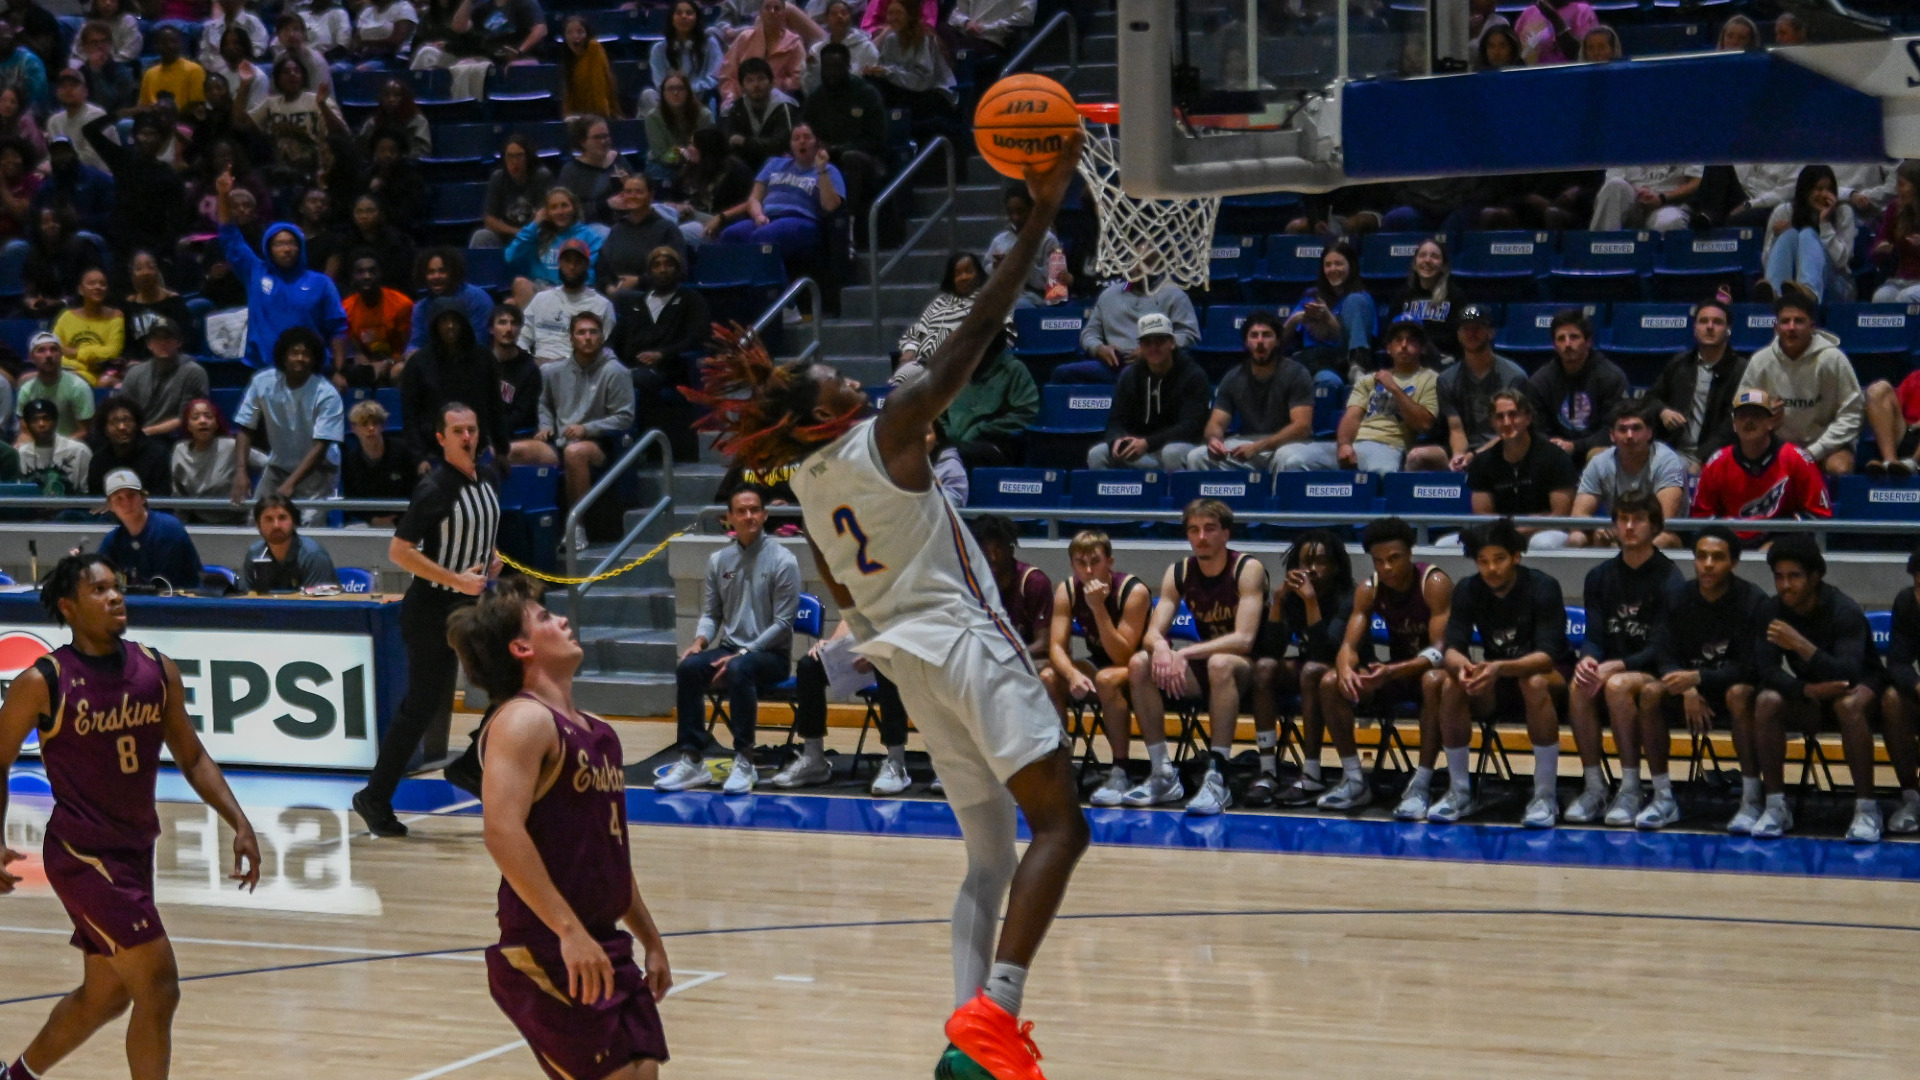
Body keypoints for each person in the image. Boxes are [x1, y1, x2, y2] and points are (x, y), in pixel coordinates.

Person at [688, 141, 1087, 1080]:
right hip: (962, 644)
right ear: (826, 413)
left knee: (989, 859)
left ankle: (964, 1043)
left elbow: (836, 586)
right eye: (836, 384)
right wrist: (1038, 217)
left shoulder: (806, 484)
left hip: (910, 663)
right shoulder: (889, 431)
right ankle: (998, 1019)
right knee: (1064, 826)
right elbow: (980, 325)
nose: (853, 382)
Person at [0, 553, 260, 1080]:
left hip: (136, 850)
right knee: (160, 986)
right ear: (69, 608)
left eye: (115, 587)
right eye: (99, 591)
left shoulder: (156, 668)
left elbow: (192, 756)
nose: (115, 596)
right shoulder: (44, 681)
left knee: (107, 995)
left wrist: (240, 821)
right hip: (82, 856)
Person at [446, 578, 672, 1080]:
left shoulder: (599, 733)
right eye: (545, 618)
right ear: (521, 648)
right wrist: (567, 931)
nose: (564, 620)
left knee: (641, 1072)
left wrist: (651, 939)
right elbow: (501, 831)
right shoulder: (522, 721)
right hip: (548, 942)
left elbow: (608, 853)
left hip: (605, 939)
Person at [354, 402, 501, 836]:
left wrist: (490, 560)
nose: (467, 437)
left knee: (511, 680)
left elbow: (484, 532)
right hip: (431, 608)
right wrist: (455, 579)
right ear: (441, 438)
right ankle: (375, 796)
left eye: (472, 429)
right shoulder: (435, 488)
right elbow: (399, 552)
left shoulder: (489, 478)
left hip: (470, 605)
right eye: (457, 431)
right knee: (420, 707)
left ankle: (470, 764)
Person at [1123, 499, 1267, 814]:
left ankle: (1217, 776)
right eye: (1194, 530)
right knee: (1139, 663)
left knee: (1220, 662)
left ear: (1226, 534)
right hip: (1206, 666)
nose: (1201, 536)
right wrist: (1161, 648)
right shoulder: (1178, 571)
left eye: (1210, 529)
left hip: (1251, 670)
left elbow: (1243, 639)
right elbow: (1151, 633)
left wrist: (1182, 652)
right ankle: (1162, 773)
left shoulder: (1247, 568)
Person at [656, 484, 801, 795]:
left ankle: (744, 759)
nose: (748, 516)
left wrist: (745, 652)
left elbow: (783, 623)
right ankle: (692, 758)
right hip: (730, 650)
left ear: (764, 515)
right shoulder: (718, 561)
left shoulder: (784, 560)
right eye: (741, 511)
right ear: (729, 518)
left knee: (740, 669)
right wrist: (699, 642)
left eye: (754, 510)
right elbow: (712, 614)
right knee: (689, 667)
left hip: (771, 657)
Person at [1562, 493, 1687, 829]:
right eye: (1623, 519)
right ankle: (1595, 787)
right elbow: (1594, 634)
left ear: (1654, 525)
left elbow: (1663, 647)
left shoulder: (1670, 578)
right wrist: (1588, 658)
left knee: (1616, 685)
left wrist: (1617, 665)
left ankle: (1631, 788)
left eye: (1638, 519)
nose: (1629, 527)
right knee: (1579, 683)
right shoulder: (1599, 575)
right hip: (1614, 666)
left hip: (1657, 671)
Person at [1439, 517, 1572, 828]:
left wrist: (1499, 668)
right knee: (1450, 684)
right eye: (1483, 561)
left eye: (1499, 559)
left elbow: (1547, 656)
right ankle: (1459, 790)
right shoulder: (1468, 589)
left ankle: (1544, 795)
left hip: (1551, 679)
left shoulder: (1543, 586)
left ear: (1516, 556)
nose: (1491, 569)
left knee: (1534, 681)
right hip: (1497, 678)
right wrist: (1465, 669)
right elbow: (1452, 648)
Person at [1324, 518, 1460, 821]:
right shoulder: (1369, 588)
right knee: (1329, 681)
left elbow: (1441, 649)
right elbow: (1348, 646)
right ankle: (1355, 780)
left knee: (1433, 680)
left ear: (1410, 553)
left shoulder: (1434, 583)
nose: (1386, 567)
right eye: (1379, 561)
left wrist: (1392, 672)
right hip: (1396, 674)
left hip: (1429, 672)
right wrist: (1346, 670)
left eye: (1394, 559)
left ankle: (1421, 783)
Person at [1753, 535, 1887, 843]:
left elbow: (1849, 674)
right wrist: (1805, 691)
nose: (1785, 585)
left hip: (1865, 687)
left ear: (1815, 576)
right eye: (1779, 578)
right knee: (1766, 701)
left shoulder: (1844, 610)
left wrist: (1800, 645)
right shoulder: (1771, 611)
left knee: (1848, 704)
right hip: (1813, 691)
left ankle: (1867, 808)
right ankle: (1776, 805)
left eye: (1794, 576)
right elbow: (1766, 671)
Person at [1659, 524, 1766, 834]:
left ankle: (1751, 797)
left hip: (1733, 692)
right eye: (1701, 556)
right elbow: (1662, 654)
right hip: (1692, 694)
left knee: (1739, 693)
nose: (1707, 564)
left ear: (1733, 562)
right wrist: (1689, 688)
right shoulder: (1677, 597)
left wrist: (1698, 677)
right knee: (1652, 692)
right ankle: (1661, 795)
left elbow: (1751, 666)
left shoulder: (1752, 600)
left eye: (1717, 557)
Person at [1040, 529, 1150, 803]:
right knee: (1049, 676)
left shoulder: (1133, 591)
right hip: (1098, 664)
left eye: (1095, 561)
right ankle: (1060, 764)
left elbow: (1122, 656)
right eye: (1081, 563)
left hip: (1140, 669)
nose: (1088, 570)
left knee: (1106, 679)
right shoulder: (1066, 589)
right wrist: (1072, 674)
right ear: (1072, 565)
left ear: (1109, 562)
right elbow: (1055, 647)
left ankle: (1120, 770)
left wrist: (1098, 608)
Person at [1256, 530, 1357, 809]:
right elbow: (1271, 651)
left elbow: (1328, 651)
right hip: (1309, 667)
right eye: (1306, 561)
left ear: (1335, 566)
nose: (1312, 568)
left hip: (1346, 673)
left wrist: (1311, 603)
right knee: (1264, 668)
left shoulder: (1349, 596)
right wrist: (1277, 602)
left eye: (1321, 561)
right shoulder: (1291, 596)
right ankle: (1267, 770)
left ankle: (1311, 772)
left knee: (1313, 671)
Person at [216, 169, 348, 373]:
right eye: (279, 244)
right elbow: (229, 236)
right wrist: (223, 196)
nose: (286, 249)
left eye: (291, 243)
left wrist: (339, 371)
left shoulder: (321, 283)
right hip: (264, 370)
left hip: (311, 371)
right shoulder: (256, 272)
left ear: (300, 247)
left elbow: (337, 328)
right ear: (269, 249)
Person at [1276, 317, 1439, 476]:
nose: (1403, 345)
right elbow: (1352, 416)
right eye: (1398, 340)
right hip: (1356, 444)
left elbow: (1423, 424)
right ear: (1389, 348)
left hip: (1390, 447)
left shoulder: (1430, 379)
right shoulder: (1369, 380)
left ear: (1423, 348)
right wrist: (1345, 445)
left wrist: (1393, 387)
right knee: (1290, 457)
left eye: (1411, 340)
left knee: (1383, 474)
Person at [525, 312, 635, 539]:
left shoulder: (615, 371)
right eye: (581, 332)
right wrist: (545, 425)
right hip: (560, 440)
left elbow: (625, 417)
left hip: (600, 444)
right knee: (515, 451)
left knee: (575, 453)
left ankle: (577, 528)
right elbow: (543, 403)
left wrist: (588, 429)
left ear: (602, 337)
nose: (587, 337)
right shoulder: (551, 371)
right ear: (571, 338)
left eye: (593, 332)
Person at [1737, 291, 1863, 476]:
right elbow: (1740, 410)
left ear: (1812, 326)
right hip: (1776, 445)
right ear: (1776, 327)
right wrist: (1765, 417)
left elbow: (1852, 414)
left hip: (1826, 446)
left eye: (1799, 321)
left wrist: (1813, 452)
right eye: (1785, 321)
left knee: (1840, 468)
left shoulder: (1833, 359)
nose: (1791, 327)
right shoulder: (1760, 361)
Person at [1691, 388, 1833, 548]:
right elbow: (1701, 518)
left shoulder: (1796, 459)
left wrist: (1778, 536)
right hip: (1730, 543)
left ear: (1771, 422)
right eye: (1742, 416)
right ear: (1734, 424)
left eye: (1756, 415)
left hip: (1782, 541)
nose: (1749, 421)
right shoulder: (1717, 462)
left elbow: (1819, 515)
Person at [230, 325, 346, 509]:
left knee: (309, 527)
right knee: (256, 521)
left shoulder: (327, 394)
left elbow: (321, 447)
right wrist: (241, 471)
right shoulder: (262, 382)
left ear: (315, 359)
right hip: (277, 465)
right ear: (283, 356)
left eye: (306, 354)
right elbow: (245, 427)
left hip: (318, 469)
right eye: (294, 352)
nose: (300, 358)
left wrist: (290, 484)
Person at [1185, 311, 1314, 472]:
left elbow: (1302, 428)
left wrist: (1258, 447)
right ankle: (1213, 498)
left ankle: (1278, 497)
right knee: (1197, 456)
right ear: (1246, 342)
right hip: (1249, 442)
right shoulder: (1233, 377)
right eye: (1254, 335)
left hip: (1287, 443)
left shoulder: (1296, 373)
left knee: (1288, 459)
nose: (1260, 341)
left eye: (1267, 335)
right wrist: (1214, 441)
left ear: (1278, 341)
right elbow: (1216, 423)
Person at [1086, 312, 1209, 470]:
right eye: (1147, 343)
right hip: (1141, 448)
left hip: (1179, 446)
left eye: (1159, 341)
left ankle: (1176, 494)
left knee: (1171, 453)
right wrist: (1117, 439)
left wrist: (1148, 443)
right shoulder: (1129, 375)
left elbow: (1191, 427)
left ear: (1172, 343)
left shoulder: (1193, 375)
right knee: (1097, 453)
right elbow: (1115, 420)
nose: (1153, 348)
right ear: (1140, 346)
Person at [718, 121, 844, 267]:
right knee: (731, 235)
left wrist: (821, 170)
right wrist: (758, 216)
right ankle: (735, 287)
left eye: (807, 137)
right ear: (790, 145)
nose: (801, 141)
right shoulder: (774, 164)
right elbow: (753, 199)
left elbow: (831, 206)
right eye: (796, 138)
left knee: (763, 236)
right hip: (766, 217)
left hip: (800, 220)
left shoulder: (829, 171)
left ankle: (770, 287)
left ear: (817, 143)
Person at [1643, 297, 1748, 469]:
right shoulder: (1679, 363)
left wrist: (1701, 457)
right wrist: (1663, 411)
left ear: (1728, 330)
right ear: (1695, 329)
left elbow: (1734, 422)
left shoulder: (1742, 370)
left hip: (1718, 457)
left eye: (1717, 322)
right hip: (1671, 452)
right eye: (1703, 321)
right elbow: (1650, 398)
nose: (1709, 326)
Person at [1467, 390, 1578, 549]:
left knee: (1542, 543)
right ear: (1492, 422)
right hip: (1499, 533)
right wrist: (1509, 532)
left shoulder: (1555, 456)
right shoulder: (1483, 461)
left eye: (1513, 415)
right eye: (1499, 416)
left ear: (1528, 418)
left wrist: (1523, 530)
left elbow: (1560, 513)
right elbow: (1482, 515)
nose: (1506, 422)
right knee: (1445, 544)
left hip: (1546, 531)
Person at [1568, 402, 1689, 548]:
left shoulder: (1668, 461)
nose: (1629, 436)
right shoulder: (1599, 462)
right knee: (1577, 538)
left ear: (1649, 433)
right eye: (1622, 430)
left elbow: (1662, 521)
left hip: (1660, 533)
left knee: (1661, 540)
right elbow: (1578, 517)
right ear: (1612, 435)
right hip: (1619, 528)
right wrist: (1599, 529)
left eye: (1636, 428)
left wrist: (1624, 531)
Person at [1057, 264, 1199, 384]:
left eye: (1146, 263)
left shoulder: (1174, 295)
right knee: (1062, 373)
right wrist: (1099, 348)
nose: (1138, 267)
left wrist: (1151, 350)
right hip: (1112, 364)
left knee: (1129, 376)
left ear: (1158, 266)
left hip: (1152, 365)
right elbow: (1089, 333)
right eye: (1134, 261)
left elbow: (1189, 334)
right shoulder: (1108, 295)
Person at [1434, 303, 1528, 471]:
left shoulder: (1514, 376)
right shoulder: (1446, 380)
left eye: (1477, 328)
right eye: (1466, 329)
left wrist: (1476, 456)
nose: (1471, 333)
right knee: (1420, 457)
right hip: (1469, 452)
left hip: (1507, 446)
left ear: (1491, 332)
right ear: (1458, 335)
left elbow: (1513, 429)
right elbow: (1456, 429)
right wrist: (1459, 456)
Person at [611, 246, 711, 403]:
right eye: (656, 265)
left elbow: (697, 336)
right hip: (629, 365)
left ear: (678, 270)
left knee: (630, 379)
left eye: (668, 265)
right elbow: (616, 337)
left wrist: (663, 354)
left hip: (667, 369)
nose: (662, 269)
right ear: (649, 272)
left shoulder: (691, 300)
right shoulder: (635, 303)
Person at [1526, 308, 1628, 462]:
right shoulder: (1541, 381)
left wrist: (1576, 446)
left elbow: (1614, 428)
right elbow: (1536, 428)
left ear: (1588, 342)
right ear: (1554, 345)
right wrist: (1552, 445)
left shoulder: (1611, 377)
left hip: (1599, 454)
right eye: (1561, 339)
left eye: (1574, 337)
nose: (1567, 344)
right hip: (1553, 455)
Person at [1758, 165, 1857, 304]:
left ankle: (1809, 292)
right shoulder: (1783, 212)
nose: (1824, 194)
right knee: (1789, 235)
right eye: (1819, 189)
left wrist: (1825, 224)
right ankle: (1775, 296)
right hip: (1789, 283)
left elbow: (1841, 262)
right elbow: (1767, 264)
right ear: (1805, 191)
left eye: (1829, 189)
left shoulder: (1843, 212)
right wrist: (1776, 238)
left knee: (1807, 234)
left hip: (1837, 285)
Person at [1281, 241, 1375, 379]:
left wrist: (1328, 319)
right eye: (1328, 265)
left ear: (1351, 266)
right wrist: (1297, 318)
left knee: (1328, 379)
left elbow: (1349, 341)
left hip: (1341, 362)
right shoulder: (1311, 297)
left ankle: (1357, 368)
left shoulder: (1361, 299)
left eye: (1339, 264)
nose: (1333, 269)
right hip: (1311, 360)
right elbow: (1279, 342)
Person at [1877, 544, 1920, 837]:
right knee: (1893, 699)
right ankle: (1911, 798)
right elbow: (1898, 662)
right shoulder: (1907, 603)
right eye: (1919, 586)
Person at [518, 236, 617, 363]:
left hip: (579, 370)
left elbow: (604, 351)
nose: (572, 266)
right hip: (538, 367)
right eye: (567, 261)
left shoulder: (602, 305)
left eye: (578, 262)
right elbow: (523, 338)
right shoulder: (541, 299)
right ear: (559, 264)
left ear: (587, 266)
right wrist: (528, 363)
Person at [97, 467, 202, 587]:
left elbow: (167, 584)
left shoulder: (168, 528)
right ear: (110, 506)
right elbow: (99, 575)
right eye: (119, 498)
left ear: (143, 498)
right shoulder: (113, 540)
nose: (126, 503)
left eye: (131, 495)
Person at [506, 186, 602, 310]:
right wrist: (534, 224)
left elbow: (590, 276)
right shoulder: (537, 234)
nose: (560, 211)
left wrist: (558, 290)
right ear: (546, 212)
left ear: (574, 208)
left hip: (572, 291)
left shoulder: (590, 237)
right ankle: (532, 328)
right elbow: (510, 256)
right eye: (554, 207)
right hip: (540, 291)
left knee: (512, 304)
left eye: (564, 205)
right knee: (519, 285)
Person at [971, 515, 1050, 662]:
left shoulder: (1033, 582)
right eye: (985, 552)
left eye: (998, 550)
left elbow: (1044, 644)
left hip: (1029, 661)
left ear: (1011, 549)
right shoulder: (971, 584)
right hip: (987, 663)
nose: (993, 558)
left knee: (1048, 675)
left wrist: (1007, 658)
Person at [171, 396, 261, 518]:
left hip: (236, 519)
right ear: (188, 426)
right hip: (197, 521)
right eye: (195, 417)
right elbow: (178, 493)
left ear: (216, 423)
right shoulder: (180, 450)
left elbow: (267, 464)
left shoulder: (231, 446)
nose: (202, 421)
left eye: (208, 416)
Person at [895, 253, 986, 371]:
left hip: (963, 369)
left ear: (978, 274)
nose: (964, 277)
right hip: (922, 366)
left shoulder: (988, 300)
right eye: (957, 274)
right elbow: (917, 331)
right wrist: (909, 350)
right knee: (902, 377)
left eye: (969, 271)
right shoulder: (940, 302)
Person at [595, 175, 687, 290]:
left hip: (654, 294)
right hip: (616, 296)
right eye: (628, 192)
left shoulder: (667, 229)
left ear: (651, 196)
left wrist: (639, 281)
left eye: (638, 192)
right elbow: (602, 268)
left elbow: (679, 271)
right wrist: (608, 287)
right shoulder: (617, 230)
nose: (632, 196)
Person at [984, 184, 1067, 307]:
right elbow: (984, 272)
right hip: (1002, 296)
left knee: (1020, 305)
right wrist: (996, 267)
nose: (1015, 217)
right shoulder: (999, 241)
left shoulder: (1049, 240)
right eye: (1010, 212)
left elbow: (1056, 286)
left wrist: (1023, 263)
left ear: (1032, 210)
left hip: (1036, 300)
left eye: (1020, 211)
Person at [1386, 237, 1469, 360]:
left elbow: (1459, 336)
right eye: (1422, 255)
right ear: (1414, 264)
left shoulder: (1455, 296)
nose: (1427, 260)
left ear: (1444, 266)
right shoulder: (1403, 296)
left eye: (1434, 256)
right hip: (1408, 359)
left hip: (1442, 361)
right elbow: (1390, 332)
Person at [341, 398, 420, 524]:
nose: (370, 428)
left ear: (383, 426)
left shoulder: (402, 452)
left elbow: (416, 491)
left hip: (405, 521)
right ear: (354, 428)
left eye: (375, 423)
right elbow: (351, 502)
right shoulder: (350, 460)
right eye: (364, 424)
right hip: (369, 523)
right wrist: (373, 520)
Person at [341, 250, 413, 388]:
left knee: (400, 371)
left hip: (397, 361)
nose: (367, 276)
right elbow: (356, 350)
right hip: (368, 364)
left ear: (380, 274)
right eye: (360, 272)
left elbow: (408, 347)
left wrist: (388, 363)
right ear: (353, 276)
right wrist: (366, 363)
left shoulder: (402, 304)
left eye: (372, 271)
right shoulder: (346, 308)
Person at [241, 492, 339, 591]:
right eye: (269, 519)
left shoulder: (313, 556)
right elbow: (244, 598)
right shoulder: (254, 554)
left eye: (282, 518)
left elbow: (319, 603)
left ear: (293, 522)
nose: (276, 526)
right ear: (258, 525)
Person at [406, 247, 495, 357]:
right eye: (430, 272)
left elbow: (479, 343)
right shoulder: (420, 308)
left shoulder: (477, 299)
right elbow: (416, 342)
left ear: (454, 272)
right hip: (433, 362)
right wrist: (411, 354)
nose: (436, 276)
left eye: (442, 271)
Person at [718, 0, 806, 110]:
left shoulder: (794, 43)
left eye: (777, 8)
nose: (772, 11)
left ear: (784, 14)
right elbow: (727, 75)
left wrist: (775, 85)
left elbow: (799, 78)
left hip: (778, 103)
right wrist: (731, 98)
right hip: (742, 100)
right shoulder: (745, 38)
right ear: (760, 13)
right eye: (767, 8)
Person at [473, 133, 554, 249]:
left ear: (528, 157)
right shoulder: (498, 178)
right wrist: (515, 231)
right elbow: (489, 220)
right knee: (480, 236)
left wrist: (527, 233)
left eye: (519, 156)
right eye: (509, 156)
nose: (514, 161)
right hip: (507, 236)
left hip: (534, 235)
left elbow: (545, 215)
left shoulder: (542, 177)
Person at [555, 114, 638, 225]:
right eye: (597, 138)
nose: (604, 141)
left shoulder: (618, 160)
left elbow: (638, 194)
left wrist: (630, 186)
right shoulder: (571, 170)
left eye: (606, 136)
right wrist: (606, 205)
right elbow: (567, 210)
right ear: (583, 142)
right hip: (592, 224)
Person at [719, 57, 797, 173]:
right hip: (745, 168)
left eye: (761, 79)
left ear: (771, 82)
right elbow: (730, 142)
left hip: (779, 167)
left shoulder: (784, 106)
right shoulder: (736, 108)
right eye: (750, 80)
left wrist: (746, 142)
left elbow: (780, 145)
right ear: (742, 87)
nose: (756, 85)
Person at [51, 266, 123, 386]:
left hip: (99, 376)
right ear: (80, 289)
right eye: (91, 283)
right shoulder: (66, 316)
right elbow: (55, 348)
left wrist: (77, 353)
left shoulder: (115, 316)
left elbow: (113, 351)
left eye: (102, 284)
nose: (98, 287)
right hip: (67, 370)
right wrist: (86, 362)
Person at [641, 71, 710, 196]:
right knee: (659, 173)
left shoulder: (704, 115)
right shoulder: (653, 117)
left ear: (688, 92)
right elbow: (661, 155)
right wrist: (680, 153)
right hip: (663, 164)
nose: (675, 93)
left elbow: (708, 149)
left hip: (697, 162)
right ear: (663, 93)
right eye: (670, 89)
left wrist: (689, 155)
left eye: (680, 88)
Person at [85, 396, 170, 496]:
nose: (122, 427)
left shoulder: (157, 455)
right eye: (115, 422)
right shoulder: (99, 460)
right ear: (105, 429)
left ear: (137, 424)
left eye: (127, 420)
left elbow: (161, 497)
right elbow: (95, 500)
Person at [16, 330, 94, 438]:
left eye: (53, 349)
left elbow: (84, 431)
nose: (48, 355)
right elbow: (25, 429)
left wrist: (57, 449)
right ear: (31, 357)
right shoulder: (27, 389)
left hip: (71, 446)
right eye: (41, 350)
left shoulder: (78, 386)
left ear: (61, 354)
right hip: (37, 445)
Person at [647, 0, 723, 107]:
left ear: (696, 19)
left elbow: (714, 77)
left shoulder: (710, 44)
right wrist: (676, 93)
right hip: (669, 100)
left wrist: (687, 91)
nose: (684, 16)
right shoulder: (658, 50)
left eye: (689, 13)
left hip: (700, 98)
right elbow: (659, 83)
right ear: (671, 19)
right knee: (648, 95)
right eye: (678, 13)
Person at [1589, 163, 1701, 232]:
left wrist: (1662, 198)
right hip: (1633, 201)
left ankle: (1659, 268)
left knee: (1670, 221)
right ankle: (1602, 257)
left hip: (1667, 204)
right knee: (1614, 185)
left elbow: (1695, 182)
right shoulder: (1624, 137)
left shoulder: (1687, 134)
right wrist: (1638, 193)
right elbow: (1612, 179)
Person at [1869, 160, 1920, 302]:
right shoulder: (1894, 209)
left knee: (1906, 298)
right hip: (1903, 279)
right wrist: (1881, 250)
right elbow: (1876, 251)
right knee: (1881, 297)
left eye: (1902, 185)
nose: (1897, 190)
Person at [17, 396, 88, 495]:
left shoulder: (78, 450)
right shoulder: (22, 452)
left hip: (71, 508)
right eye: (34, 420)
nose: (41, 424)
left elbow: (86, 493)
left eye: (46, 418)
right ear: (27, 425)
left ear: (55, 421)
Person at [558, 15, 622, 119]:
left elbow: (599, 88)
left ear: (587, 34)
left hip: (602, 116)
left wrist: (602, 117)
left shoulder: (594, 48)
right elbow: (569, 99)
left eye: (580, 32)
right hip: (580, 118)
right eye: (569, 33)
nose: (575, 36)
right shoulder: (569, 60)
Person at [138, 25, 205, 108]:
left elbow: (197, 107)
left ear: (181, 44)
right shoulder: (149, 74)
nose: (170, 46)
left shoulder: (194, 70)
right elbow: (144, 106)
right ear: (156, 46)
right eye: (164, 42)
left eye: (174, 41)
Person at [1513, 0, 1597, 64]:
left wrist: (1554, 18)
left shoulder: (1583, 11)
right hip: (1529, 79)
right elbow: (1514, 53)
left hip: (1566, 78)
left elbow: (1582, 54)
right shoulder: (1528, 13)